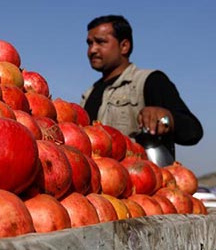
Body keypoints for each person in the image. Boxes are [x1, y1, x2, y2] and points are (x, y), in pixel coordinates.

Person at [80, 15, 203, 164]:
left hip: (142, 182)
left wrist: (165, 119)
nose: (92, 50)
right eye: (89, 43)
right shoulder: (88, 95)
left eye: (100, 42)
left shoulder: (150, 81)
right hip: (100, 182)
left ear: (124, 46)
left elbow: (193, 130)